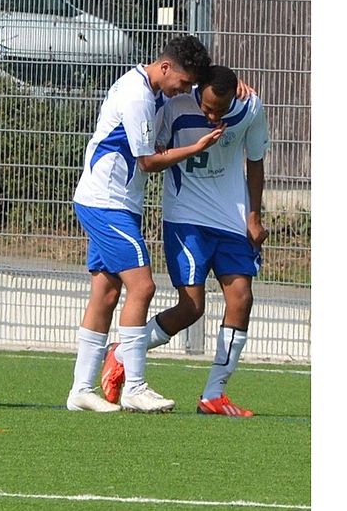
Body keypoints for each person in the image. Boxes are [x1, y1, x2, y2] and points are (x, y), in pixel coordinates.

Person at [101, 65, 270, 417]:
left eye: (219, 111)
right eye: (207, 108)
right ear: (198, 90)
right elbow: (151, 146)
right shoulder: (172, 104)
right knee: (192, 307)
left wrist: (253, 218)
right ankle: (121, 353)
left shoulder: (250, 106)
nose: (212, 116)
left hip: (231, 218)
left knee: (242, 297)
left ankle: (214, 394)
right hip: (186, 217)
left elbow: (255, 162)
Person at [67, 36, 221, 413]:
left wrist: (235, 85)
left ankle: (80, 391)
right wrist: (195, 148)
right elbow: (148, 161)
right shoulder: (137, 96)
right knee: (143, 285)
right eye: (182, 84)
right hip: (106, 202)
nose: (183, 91)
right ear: (165, 67)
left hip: (119, 201)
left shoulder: (154, 88)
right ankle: (135, 385)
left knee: (105, 293)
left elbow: (202, 87)